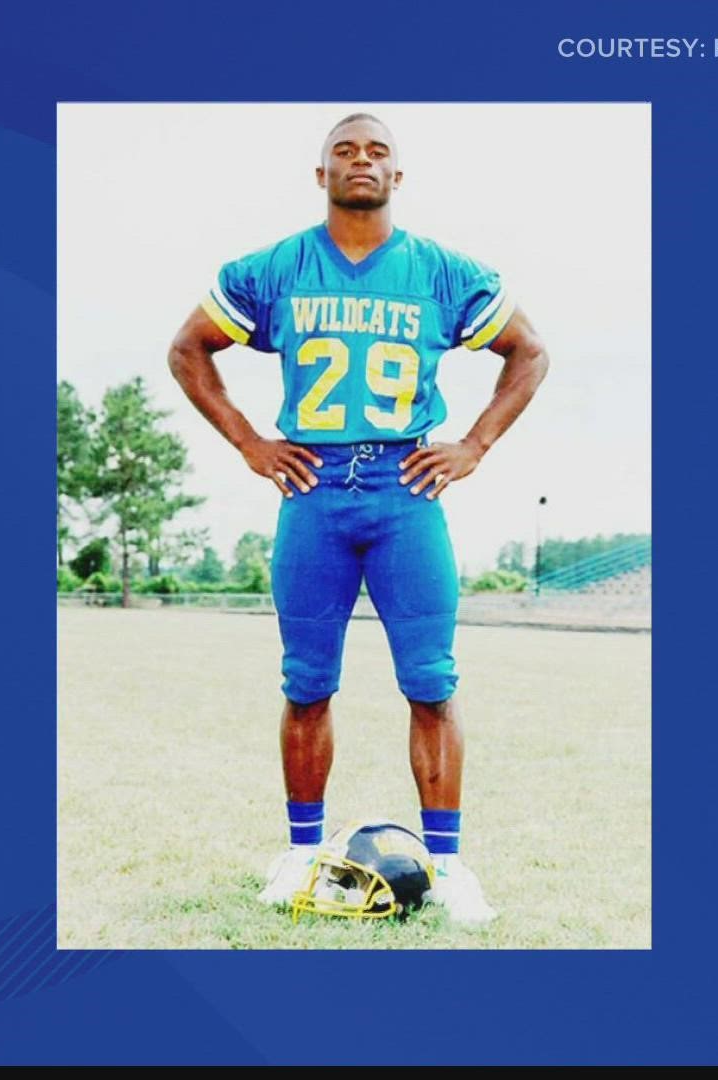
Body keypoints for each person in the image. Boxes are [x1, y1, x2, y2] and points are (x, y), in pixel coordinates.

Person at [166, 113, 550, 926]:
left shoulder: (443, 271)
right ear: (321, 174)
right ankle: (302, 850)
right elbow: (188, 347)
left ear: (398, 177)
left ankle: (446, 866)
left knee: (432, 684)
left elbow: (529, 350)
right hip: (311, 487)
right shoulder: (275, 266)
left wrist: (475, 443)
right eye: (345, 150)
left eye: (378, 151)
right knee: (306, 684)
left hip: (404, 485)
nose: (362, 160)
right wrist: (248, 442)